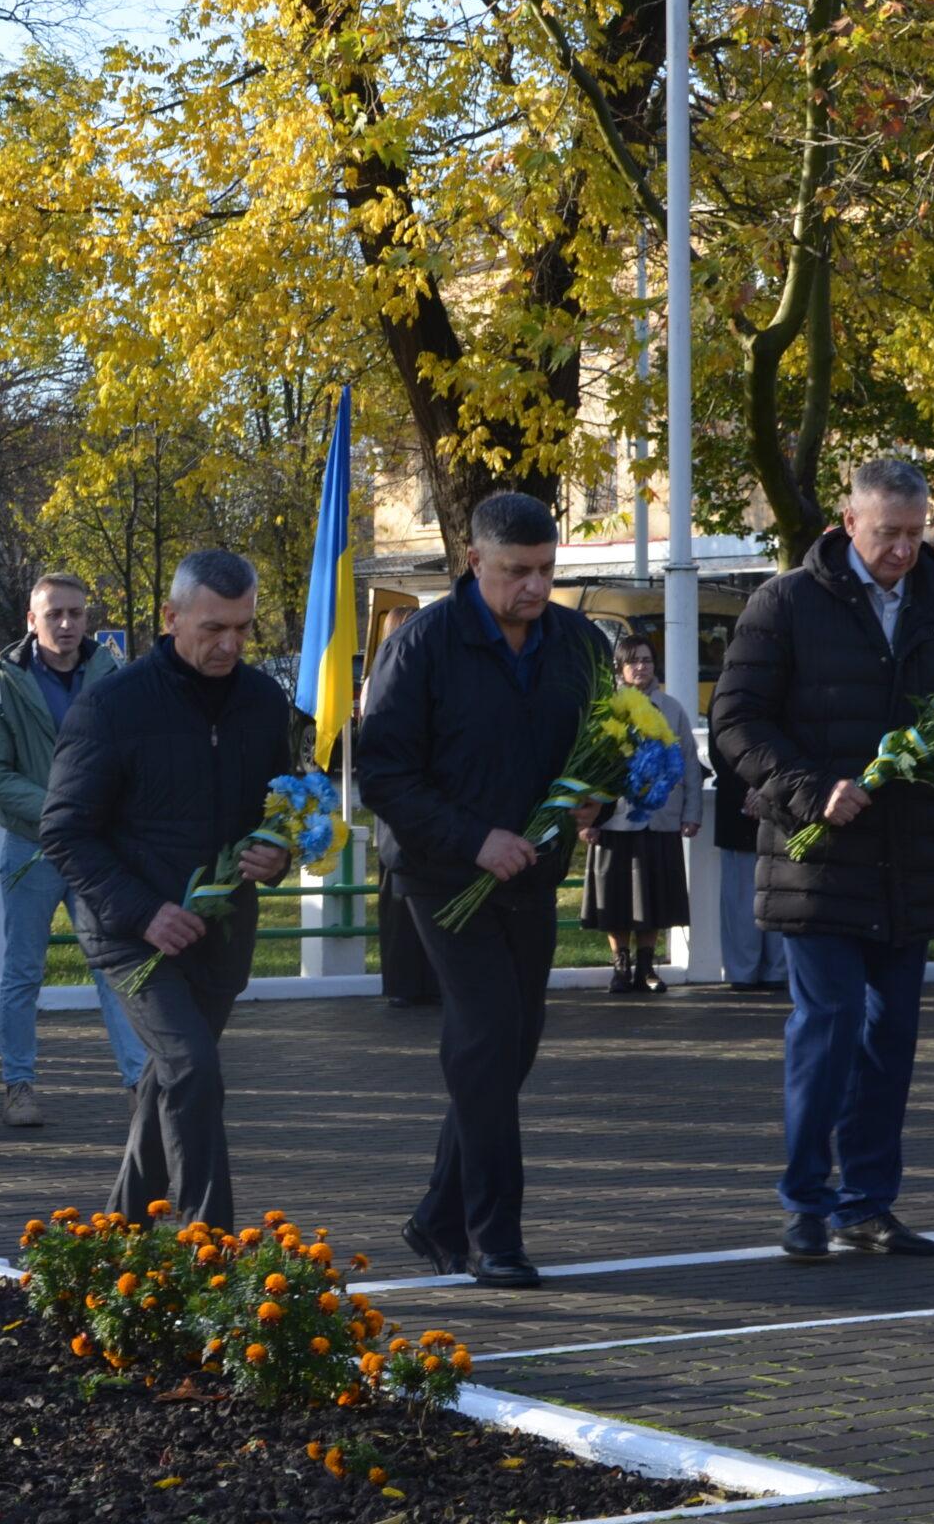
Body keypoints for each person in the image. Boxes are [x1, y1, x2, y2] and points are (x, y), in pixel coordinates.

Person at [711, 457, 934, 1263]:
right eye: (887, 534)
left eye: (916, 533)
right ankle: (805, 1200)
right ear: (849, 523)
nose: (903, 550)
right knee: (830, 1026)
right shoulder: (787, 603)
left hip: (906, 865)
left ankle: (867, 1204)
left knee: (890, 1041)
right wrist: (812, 791)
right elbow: (734, 722)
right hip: (816, 862)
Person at [354, 493, 605, 1289]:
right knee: (489, 1036)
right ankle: (493, 1236)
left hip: (532, 871)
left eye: (546, 572)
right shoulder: (423, 644)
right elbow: (385, 771)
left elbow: (603, 739)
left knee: (513, 1044)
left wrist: (600, 793)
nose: (535, 589)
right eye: (517, 572)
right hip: (440, 875)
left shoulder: (578, 642)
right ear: (474, 563)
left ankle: (436, 1215)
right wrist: (473, 839)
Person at [41, 550, 293, 1231]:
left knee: (170, 1080)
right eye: (214, 628)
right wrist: (146, 913)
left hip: (221, 929)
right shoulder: (113, 706)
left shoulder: (265, 702)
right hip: (132, 934)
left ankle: (117, 1234)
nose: (231, 645)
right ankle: (210, 1248)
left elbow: (283, 807)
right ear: (171, 617)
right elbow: (64, 833)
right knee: (192, 1071)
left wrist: (280, 852)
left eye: (243, 628)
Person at [0, 572, 150, 1127]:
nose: (67, 624)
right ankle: (18, 1086)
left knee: (115, 968)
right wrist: (58, 807)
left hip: (97, 853)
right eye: (55, 615)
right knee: (23, 970)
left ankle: (140, 1083)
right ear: (32, 620)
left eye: (76, 613)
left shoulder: (115, 676)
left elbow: (137, 756)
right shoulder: (2, 685)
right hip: (32, 847)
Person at [577, 636, 704, 995]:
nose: (642, 667)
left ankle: (647, 966)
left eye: (647, 660)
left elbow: (690, 765)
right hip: (612, 818)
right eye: (634, 662)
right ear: (620, 668)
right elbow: (587, 766)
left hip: (660, 817)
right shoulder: (606, 708)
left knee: (655, 897)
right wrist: (586, 820)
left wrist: (691, 812)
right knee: (615, 897)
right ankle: (621, 967)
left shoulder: (672, 708)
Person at [359, 605, 437, 1010]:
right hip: (398, 806)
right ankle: (405, 980)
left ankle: (429, 978)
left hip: (425, 801)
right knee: (398, 895)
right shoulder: (383, 679)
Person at [708, 737, 786, 989]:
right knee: (740, 896)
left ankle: (777, 969)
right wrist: (748, 790)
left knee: (782, 892)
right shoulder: (725, 698)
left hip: (782, 808)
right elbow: (721, 749)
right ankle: (743, 970)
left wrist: (766, 789)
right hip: (737, 808)